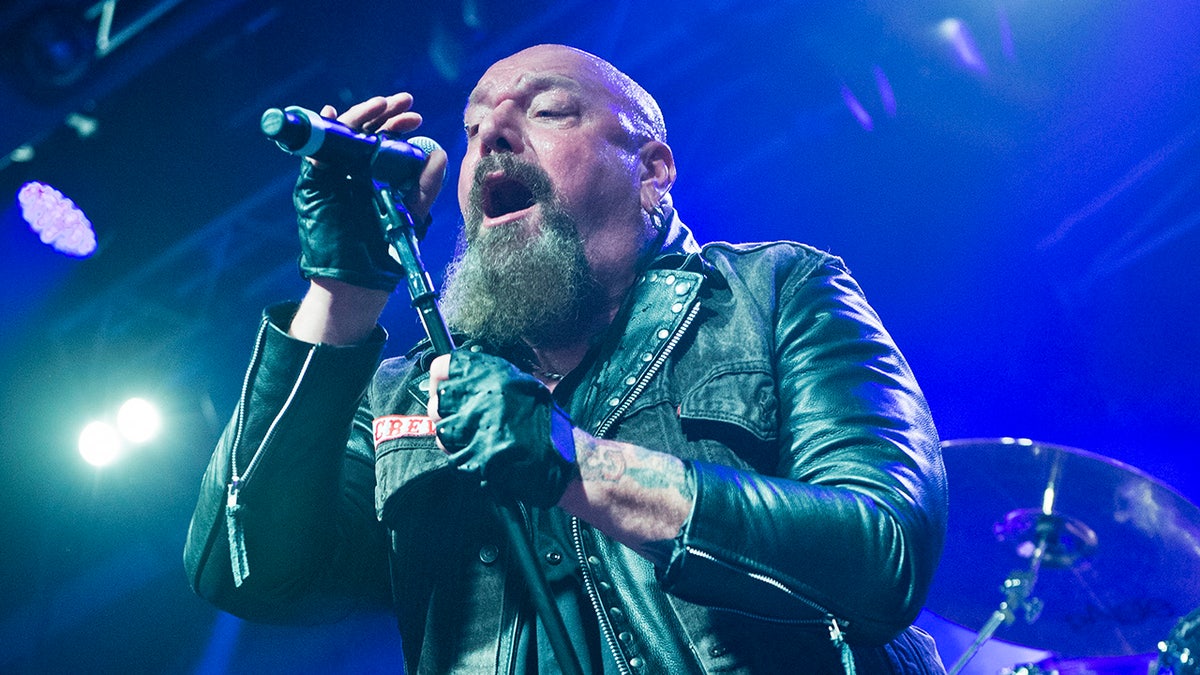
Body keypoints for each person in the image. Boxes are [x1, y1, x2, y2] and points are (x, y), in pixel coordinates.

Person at [184, 43, 949, 674]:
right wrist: (343, 290)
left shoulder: (775, 290)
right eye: (475, 127)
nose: (490, 139)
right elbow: (244, 566)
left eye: (547, 111)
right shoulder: (411, 394)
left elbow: (883, 553)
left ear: (652, 170)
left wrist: (575, 464)